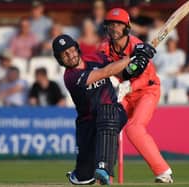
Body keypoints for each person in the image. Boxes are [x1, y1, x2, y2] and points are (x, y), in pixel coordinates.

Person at [52, 34, 154, 185]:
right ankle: (81, 174)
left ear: (77, 48)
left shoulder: (96, 58)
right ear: (60, 59)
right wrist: (133, 55)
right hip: (88, 123)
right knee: (85, 177)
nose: (70, 55)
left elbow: (124, 73)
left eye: (71, 50)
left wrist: (139, 62)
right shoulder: (71, 77)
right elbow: (105, 72)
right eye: (64, 54)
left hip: (113, 112)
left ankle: (104, 168)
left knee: (107, 111)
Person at [98, 8, 173, 183]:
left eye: (118, 25)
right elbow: (103, 70)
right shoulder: (104, 48)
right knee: (107, 124)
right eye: (111, 24)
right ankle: (105, 173)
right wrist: (116, 84)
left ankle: (163, 171)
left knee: (134, 128)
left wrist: (129, 85)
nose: (114, 28)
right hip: (124, 93)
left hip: (147, 91)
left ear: (127, 27)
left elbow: (147, 77)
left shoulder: (137, 45)